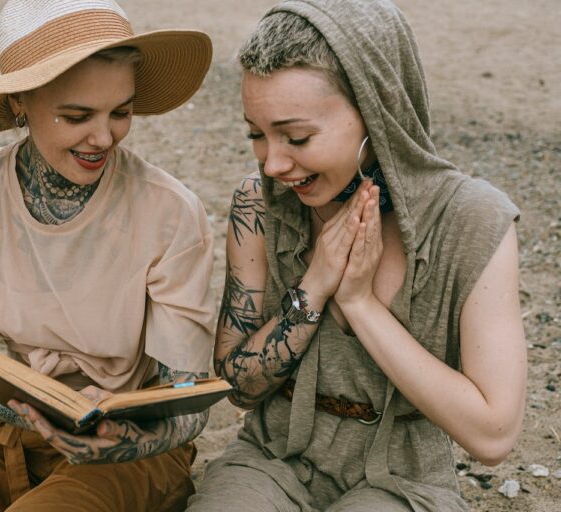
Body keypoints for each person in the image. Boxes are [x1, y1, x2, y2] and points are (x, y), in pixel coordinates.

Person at [187, 1, 526, 511]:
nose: (274, 163)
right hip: (272, 461)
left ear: (377, 112)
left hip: (403, 481)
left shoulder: (471, 221)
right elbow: (238, 386)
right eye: (256, 134)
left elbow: (493, 435)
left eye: (297, 137)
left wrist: (362, 304)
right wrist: (314, 287)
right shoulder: (258, 204)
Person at [0, 1, 216, 510]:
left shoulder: (170, 211)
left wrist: (120, 437)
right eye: (76, 116)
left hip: (132, 441)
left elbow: (187, 397)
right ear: (20, 101)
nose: (103, 137)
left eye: (122, 112)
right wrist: (48, 416)